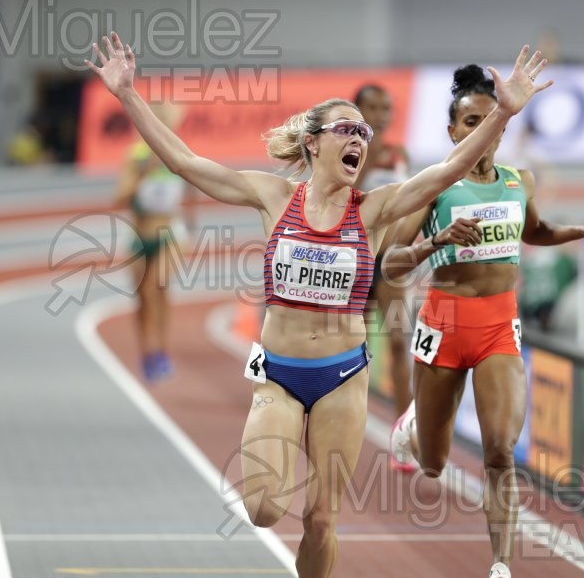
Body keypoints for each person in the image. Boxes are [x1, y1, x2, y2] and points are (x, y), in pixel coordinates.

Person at [86, 32, 550, 577]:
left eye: (366, 132)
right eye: (347, 130)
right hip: (279, 374)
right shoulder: (272, 196)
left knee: (322, 520)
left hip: (342, 377)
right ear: (314, 143)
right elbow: (186, 162)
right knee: (262, 508)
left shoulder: (374, 209)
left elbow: (445, 172)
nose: (360, 140)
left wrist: (503, 117)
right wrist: (126, 94)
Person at [386, 64, 584, 578]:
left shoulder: (520, 180)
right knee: (433, 463)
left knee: (500, 450)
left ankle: (501, 564)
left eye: (489, 121)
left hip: (499, 326)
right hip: (443, 324)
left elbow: (535, 232)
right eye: (468, 123)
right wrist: (437, 241)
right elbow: (389, 262)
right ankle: (412, 423)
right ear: (452, 133)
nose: (480, 131)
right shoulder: (431, 188)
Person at [352, 84, 417, 472]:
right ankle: (344, 421)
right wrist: (365, 162)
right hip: (355, 263)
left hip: (390, 263)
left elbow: (408, 204)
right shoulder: (345, 153)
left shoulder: (399, 156)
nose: (379, 115)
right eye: (371, 107)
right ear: (356, 110)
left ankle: (402, 439)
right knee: (353, 348)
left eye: (385, 108)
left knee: (397, 342)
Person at [115, 102, 195, 382]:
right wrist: (142, 173)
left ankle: (160, 349)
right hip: (139, 235)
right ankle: (147, 352)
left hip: (169, 233)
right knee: (142, 298)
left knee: (155, 289)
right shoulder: (136, 155)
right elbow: (119, 198)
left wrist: (191, 220)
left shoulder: (177, 152)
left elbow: (194, 183)